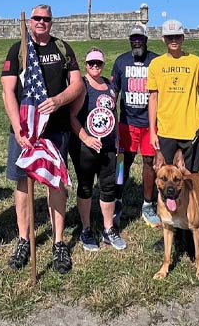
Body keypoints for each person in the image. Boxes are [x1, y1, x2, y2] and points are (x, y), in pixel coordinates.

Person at [1, 4, 83, 274]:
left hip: (56, 128)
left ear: (51, 22)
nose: (40, 22)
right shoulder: (19, 49)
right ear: (30, 20)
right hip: (25, 130)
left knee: (56, 183)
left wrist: (58, 101)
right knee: (23, 186)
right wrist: (18, 128)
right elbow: (8, 91)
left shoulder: (62, 48)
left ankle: (59, 242)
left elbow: (77, 85)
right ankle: (24, 239)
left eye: (45, 19)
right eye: (36, 18)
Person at [70, 48, 126, 251]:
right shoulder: (82, 85)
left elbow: (114, 113)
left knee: (109, 186)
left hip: (110, 146)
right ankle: (85, 229)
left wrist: (118, 139)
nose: (95, 66)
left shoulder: (110, 85)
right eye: (91, 63)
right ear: (85, 65)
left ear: (103, 65)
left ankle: (108, 229)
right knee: (85, 187)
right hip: (87, 147)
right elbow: (72, 116)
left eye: (98, 63)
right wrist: (86, 138)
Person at [147, 19, 199, 173]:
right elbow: (153, 98)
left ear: (183, 38)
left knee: (190, 177)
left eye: (177, 36)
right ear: (163, 39)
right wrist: (152, 130)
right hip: (166, 130)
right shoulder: (156, 64)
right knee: (166, 176)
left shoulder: (195, 62)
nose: (174, 40)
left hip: (192, 129)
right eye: (170, 37)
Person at [110, 25, 160, 228]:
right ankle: (118, 200)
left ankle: (148, 204)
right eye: (134, 38)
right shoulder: (121, 61)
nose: (137, 41)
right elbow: (114, 90)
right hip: (127, 123)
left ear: (146, 40)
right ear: (130, 41)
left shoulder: (156, 61)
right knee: (122, 162)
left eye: (140, 38)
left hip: (149, 124)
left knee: (149, 162)